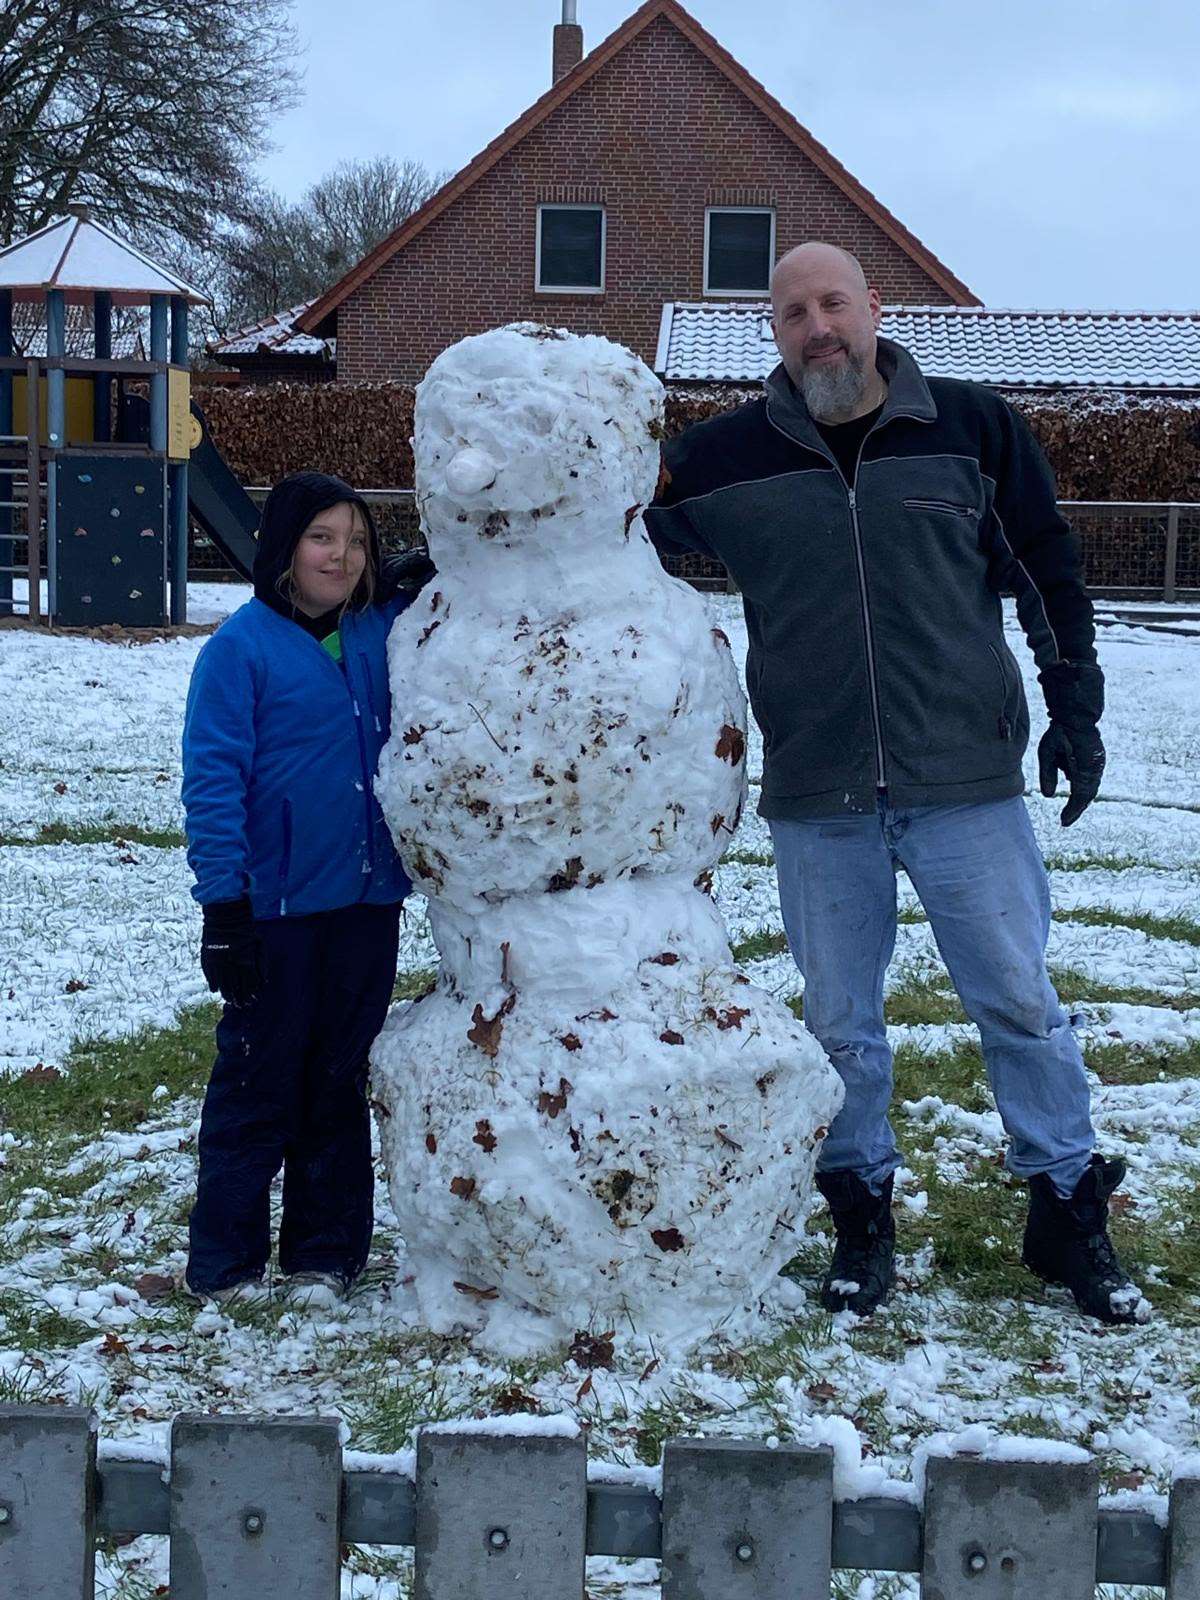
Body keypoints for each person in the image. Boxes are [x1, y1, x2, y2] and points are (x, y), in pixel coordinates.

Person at [646, 242, 1148, 1327]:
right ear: (770, 334)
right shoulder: (724, 459)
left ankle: (1067, 1208)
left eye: (833, 303)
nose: (816, 326)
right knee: (838, 1024)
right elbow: (592, 514)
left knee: (1019, 1001)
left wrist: (1075, 703)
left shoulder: (971, 427)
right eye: (791, 313)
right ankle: (861, 1217)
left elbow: (1046, 564)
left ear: (875, 307)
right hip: (819, 790)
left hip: (964, 778)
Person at [181, 473, 433, 1309]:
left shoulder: (377, 633)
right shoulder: (241, 649)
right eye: (323, 538)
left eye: (357, 542)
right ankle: (227, 1261)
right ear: (286, 546)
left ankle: (327, 1254)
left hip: (365, 904)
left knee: (335, 1079)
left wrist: (425, 571)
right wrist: (225, 909)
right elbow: (213, 781)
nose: (342, 556)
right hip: (275, 912)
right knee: (260, 1080)